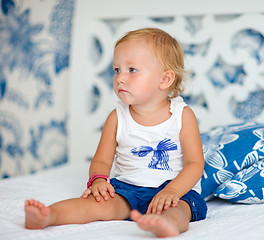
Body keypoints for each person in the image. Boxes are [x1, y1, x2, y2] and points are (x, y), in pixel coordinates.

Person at [24, 27, 207, 238]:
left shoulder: (182, 115)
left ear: (165, 79)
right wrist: (99, 180)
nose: (120, 78)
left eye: (132, 70)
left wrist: (172, 191)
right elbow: (101, 161)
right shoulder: (117, 117)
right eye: (117, 70)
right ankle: (49, 216)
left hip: (175, 189)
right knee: (97, 204)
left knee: (179, 209)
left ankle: (166, 224)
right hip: (129, 189)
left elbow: (195, 164)